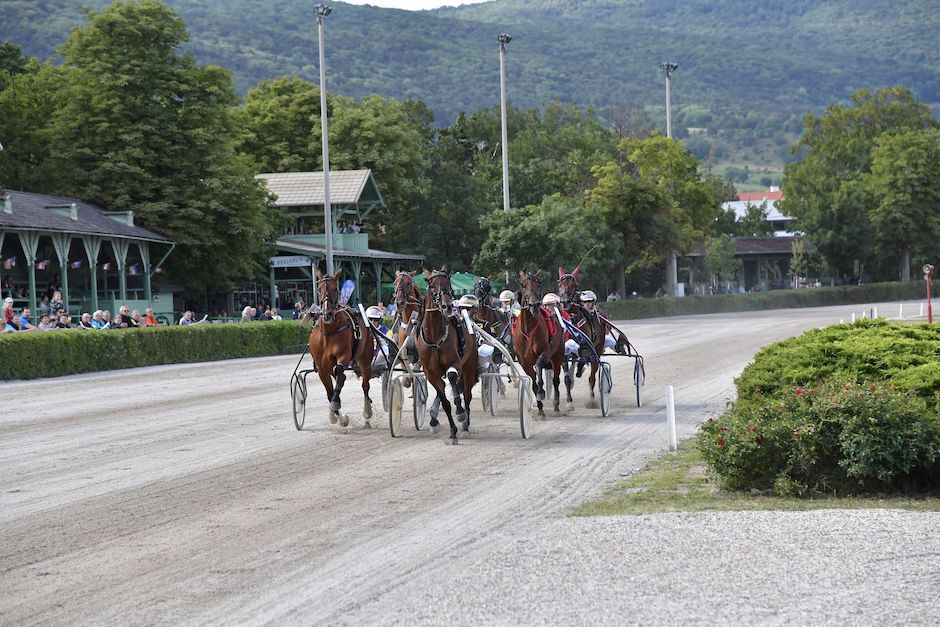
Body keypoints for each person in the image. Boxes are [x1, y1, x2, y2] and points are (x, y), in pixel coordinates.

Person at [365, 305, 393, 375]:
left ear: (380, 320)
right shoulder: (363, 330)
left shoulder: (387, 332)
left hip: (380, 358)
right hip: (365, 356)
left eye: (376, 320)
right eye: (370, 319)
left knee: (385, 349)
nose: (372, 321)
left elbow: (387, 350)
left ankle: (373, 366)